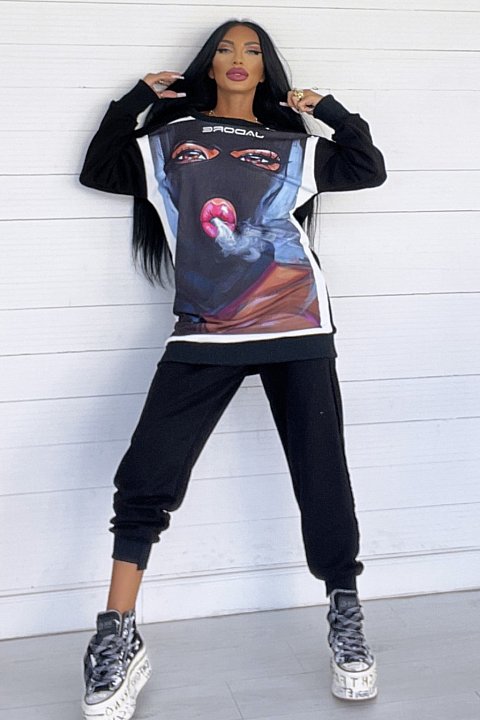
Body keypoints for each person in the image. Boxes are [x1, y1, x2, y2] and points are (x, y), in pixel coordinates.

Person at [79, 18, 387, 720]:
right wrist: (136, 100)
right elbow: (99, 168)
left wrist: (329, 110)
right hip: (205, 327)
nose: (238, 58)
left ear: (266, 66)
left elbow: (367, 166)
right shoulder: (170, 139)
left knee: (321, 475)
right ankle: (118, 633)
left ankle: (346, 619)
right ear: (209, 65)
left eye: (251, 50)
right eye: (225, 48)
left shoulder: (292, 145)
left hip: (296, 322)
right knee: (147, 473)